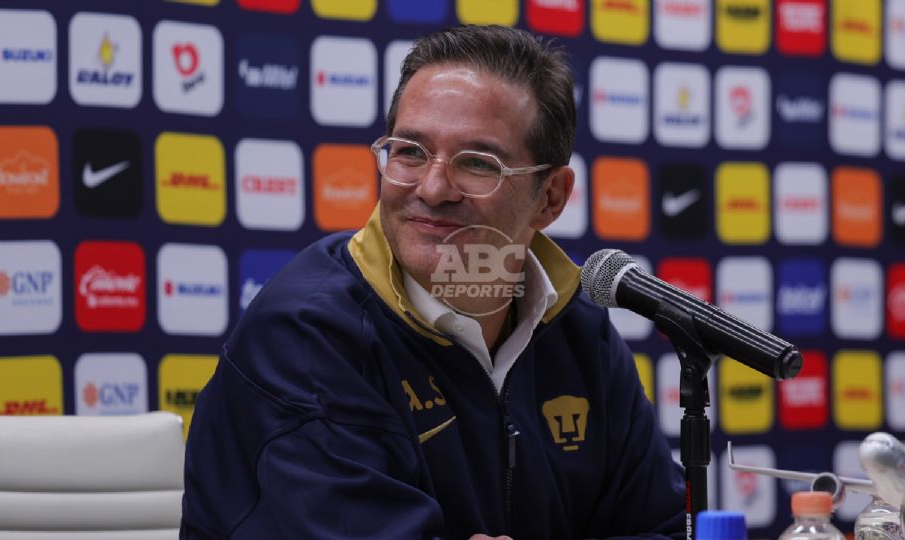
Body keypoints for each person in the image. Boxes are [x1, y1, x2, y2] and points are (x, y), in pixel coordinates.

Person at [181, 25, 686, 540]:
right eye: (410, 152)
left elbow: (663, 530)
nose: (434, 186)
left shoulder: (578, 331)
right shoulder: (305, 335)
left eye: (478, 163)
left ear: (550, 196)